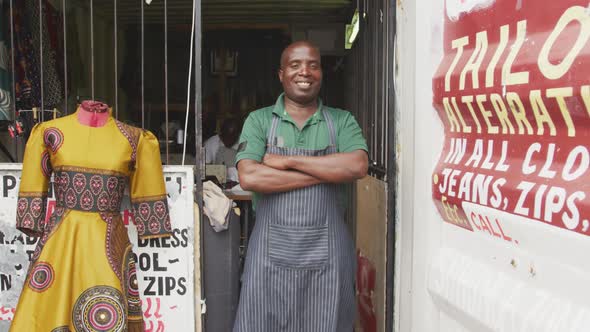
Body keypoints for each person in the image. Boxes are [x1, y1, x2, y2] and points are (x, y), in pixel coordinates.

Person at [233, 41, 368, 331]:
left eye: (313, 65)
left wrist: (287, 161)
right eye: (295, 65)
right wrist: (327, 171)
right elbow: (251, 177)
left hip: (328, 258)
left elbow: (356, 166)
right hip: (269, 258)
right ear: (281, 74)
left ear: (321, 72)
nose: (304, 71)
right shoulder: (259, 121)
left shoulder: (342, 121)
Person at [10, 100, 172, 331]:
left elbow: (148, 187)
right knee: (51, 308)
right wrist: (30, 217)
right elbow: (34, 181)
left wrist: (152, 222)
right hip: (61, 239)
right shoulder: (48, 132)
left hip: (108, 239)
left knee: (106, 309)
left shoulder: (134, 138)